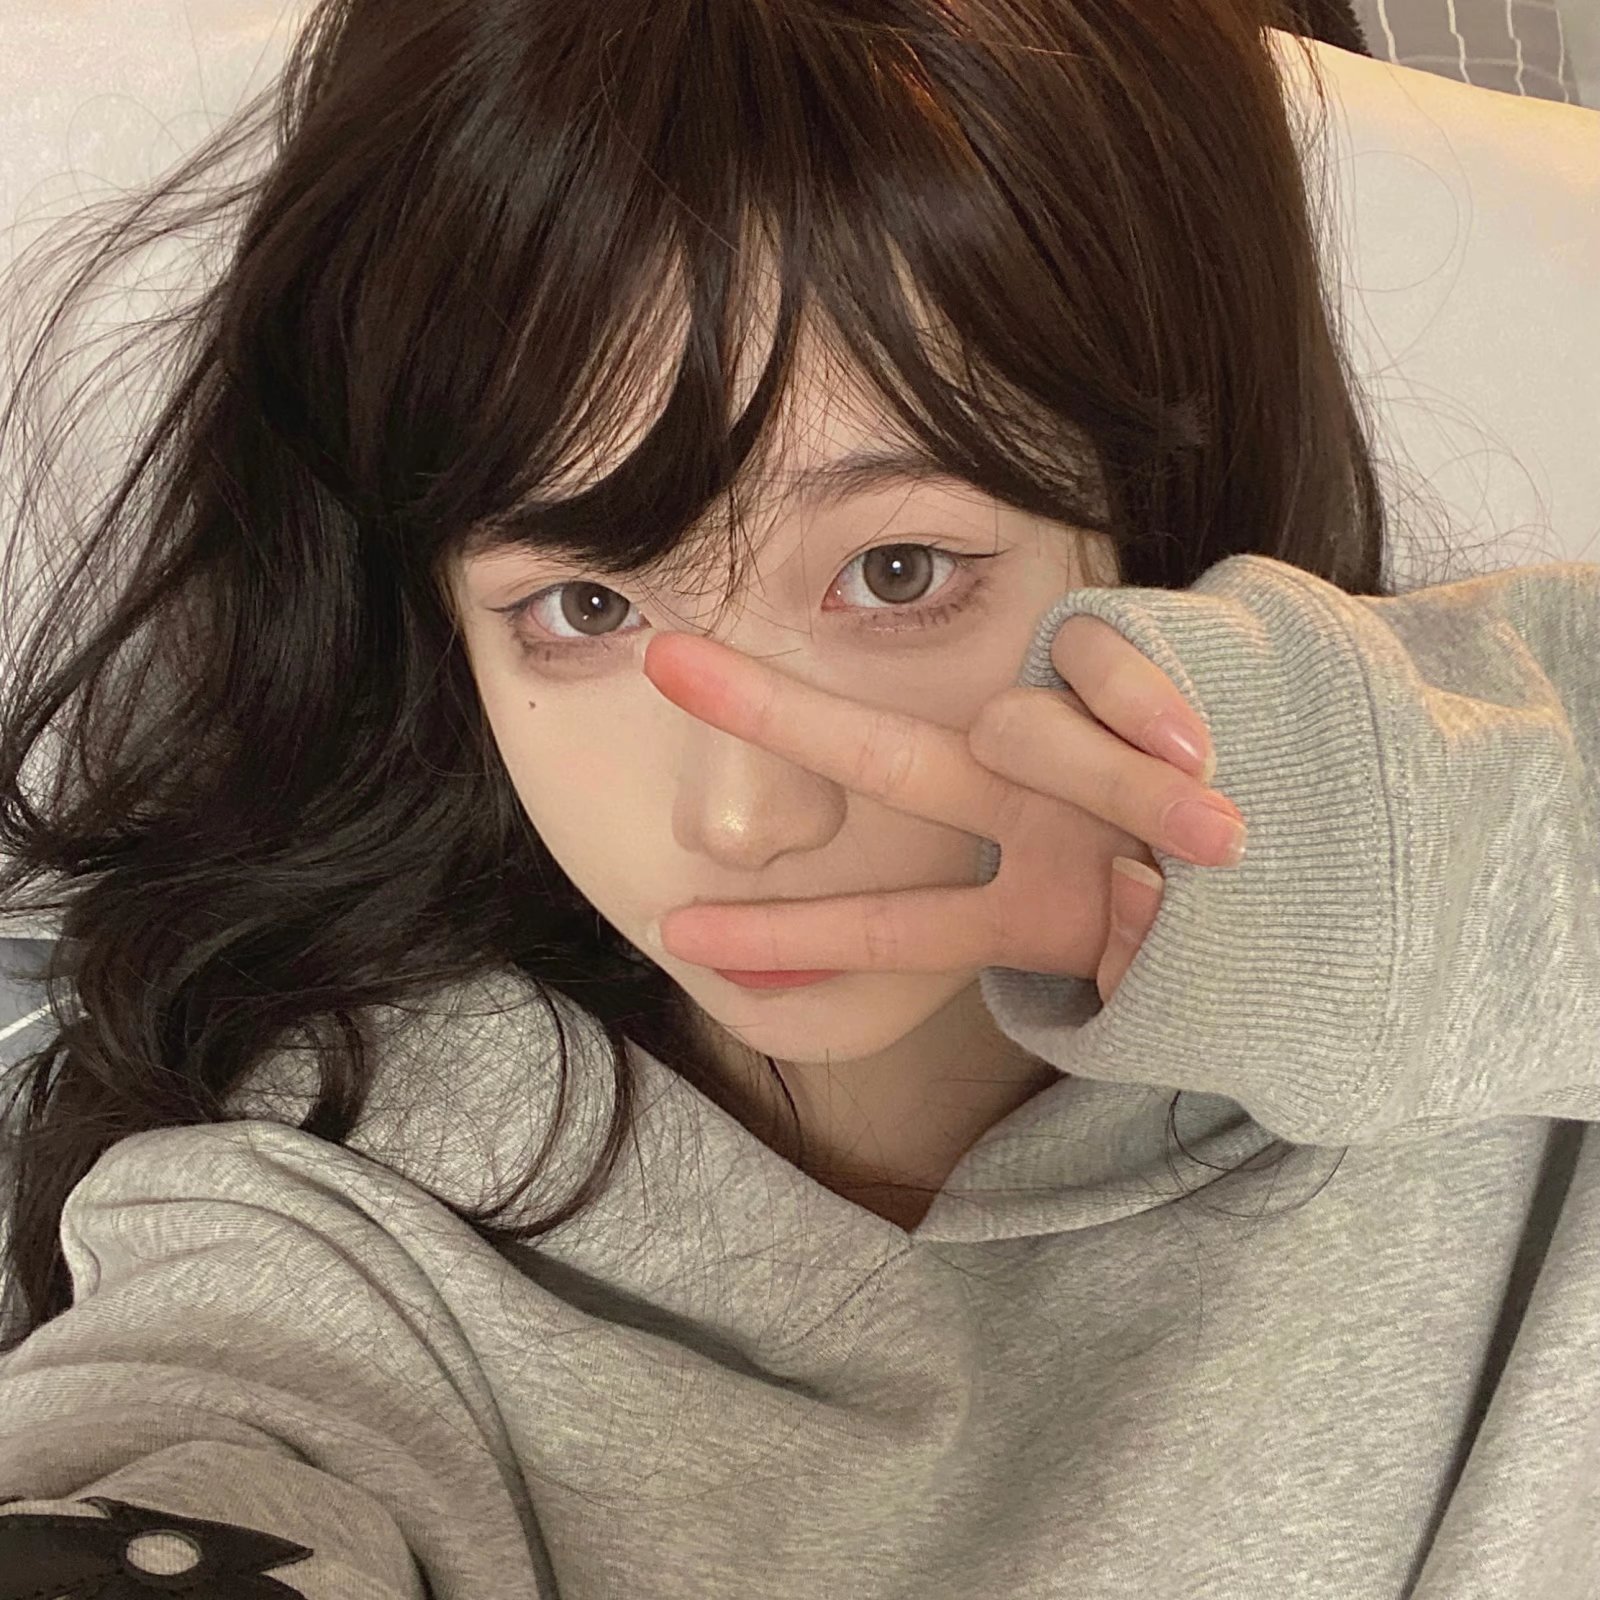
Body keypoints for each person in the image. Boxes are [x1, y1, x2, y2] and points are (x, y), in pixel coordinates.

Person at [0, 0, 1592, 1596]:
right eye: (587, 606)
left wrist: (1368, 843)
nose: (744, 819)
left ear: (1163, 512)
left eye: (898, 572)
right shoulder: (324, 1232)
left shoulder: (1518, 1076)